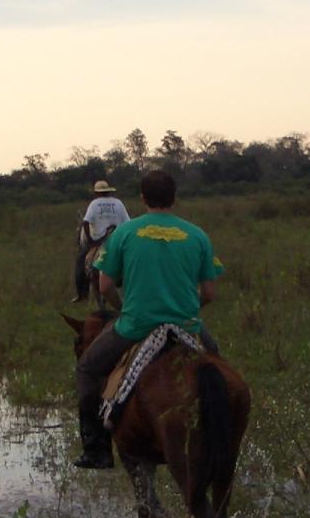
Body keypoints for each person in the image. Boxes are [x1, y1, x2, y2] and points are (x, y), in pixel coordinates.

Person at [72, 168, 222, 468]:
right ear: (174, 198)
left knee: (87, 369)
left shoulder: (126, 234)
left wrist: (123, 308)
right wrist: (185, 311)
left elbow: (104, 286)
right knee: (217, 364)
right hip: (187, 324)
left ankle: (96, 449)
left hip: (135, 325)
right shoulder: (197, 235)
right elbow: (208, 293)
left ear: (142, 198)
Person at [74, 179, 131, 302]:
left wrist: (90, 241)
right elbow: (128, 223)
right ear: (109, 191)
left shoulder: (94, 204)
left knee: (80, 262)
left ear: (96, 193)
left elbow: (85, 222)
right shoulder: (118, 203)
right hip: (119, 240)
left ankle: (81, 293)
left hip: (100, 241)